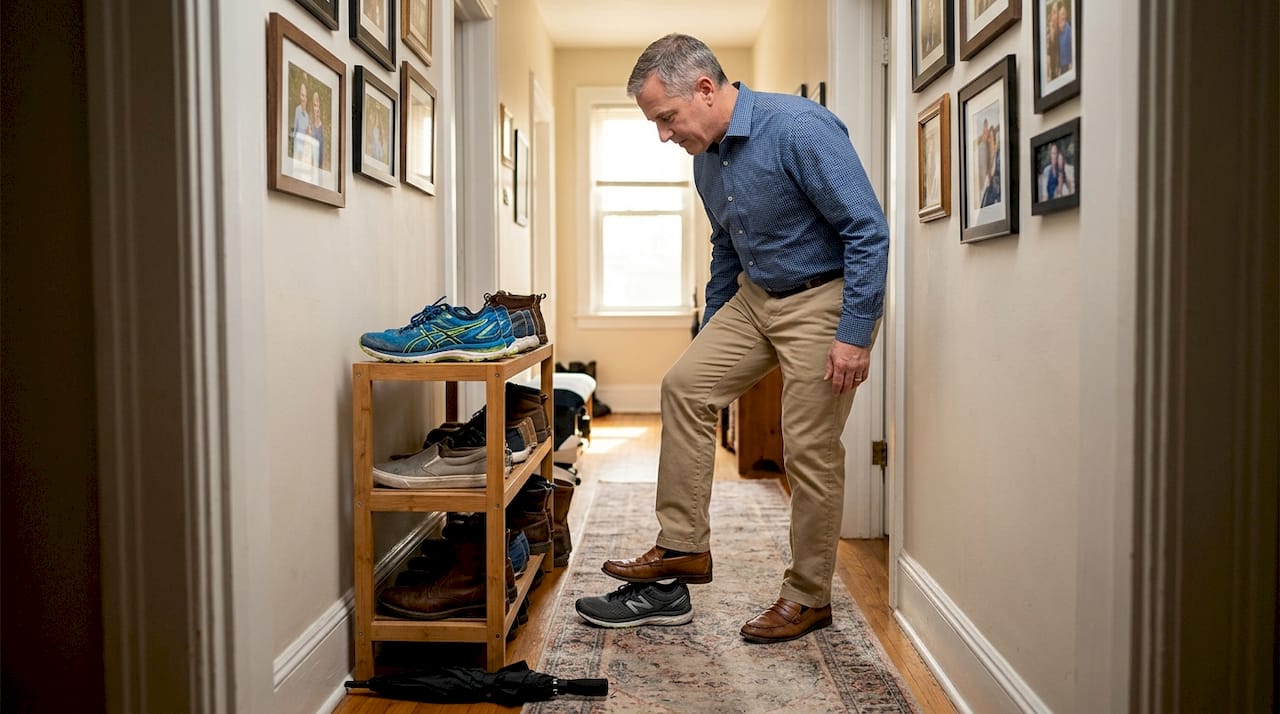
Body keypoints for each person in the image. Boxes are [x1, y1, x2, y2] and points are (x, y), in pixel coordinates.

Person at [584, 34, 888, 644]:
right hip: (755, 296)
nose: (663, 135)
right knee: (684, 385)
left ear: (705, 89)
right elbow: (726, 247)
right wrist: (710, 333)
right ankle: (683, 548)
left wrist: (855, 335)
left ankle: (808, 597)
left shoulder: (799, 128)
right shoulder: (705, 157)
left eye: (666, 118)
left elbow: (866, 229)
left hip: (821, 297)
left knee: (809, 448)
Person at [292, 82, 310, 159]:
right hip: (296, 149)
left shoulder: (307, 116)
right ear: (299, 96)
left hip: (304, 152)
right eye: (302, 95)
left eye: (305, 96)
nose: (304, 99)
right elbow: (294, 131)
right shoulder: (297, 110)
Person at [1056, 2, 1073, 76]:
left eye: (1064, 14)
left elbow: (1071, 47)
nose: (1063, 17)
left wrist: (1071, 63)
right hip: (1059, 65)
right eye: (1061, 14)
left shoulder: (1068, 29)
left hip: (1067, 64)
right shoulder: (1056, 31)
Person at [309, 91, 325, 172]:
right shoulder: (310, 127)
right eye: (315, 105)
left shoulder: (322, 127)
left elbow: (322, 153)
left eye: (318, 105)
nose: (317, 108)